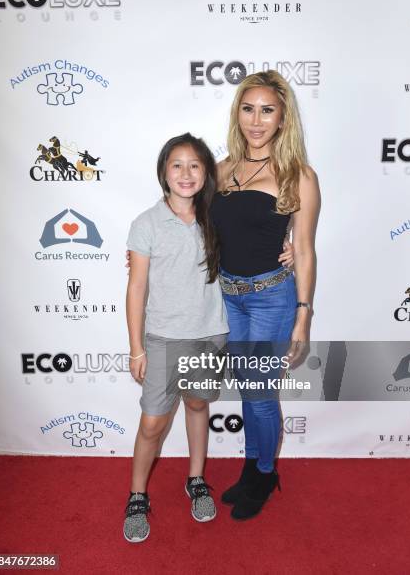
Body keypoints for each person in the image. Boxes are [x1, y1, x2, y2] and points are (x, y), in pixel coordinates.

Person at [210, 70, 320, 520]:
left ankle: (265, 470)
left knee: (259, 392)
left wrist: (303, 316)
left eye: (267, 110)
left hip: (271, 298)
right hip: (228, 296)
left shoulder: (299, 175)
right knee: (246, 389)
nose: (257, 120)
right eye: (248, 108)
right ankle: (252, 466)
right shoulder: (219, 170)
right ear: (238, 113)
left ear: (282, 119)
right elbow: (201, 233)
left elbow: (307, 250)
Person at [124, 132, 230, 543]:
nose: (186, 173)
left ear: (206, 173)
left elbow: (256, 240)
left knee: (198, 404)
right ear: (163, 172)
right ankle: (137, 495)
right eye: (177, 165)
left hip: (209, 334)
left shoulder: (215, 218)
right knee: (152, 422)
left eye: (195, 165)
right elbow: (136, 288)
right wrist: (136, 348)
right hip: (164, 339)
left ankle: (197, 479)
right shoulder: (146, 223)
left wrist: (290, 248)